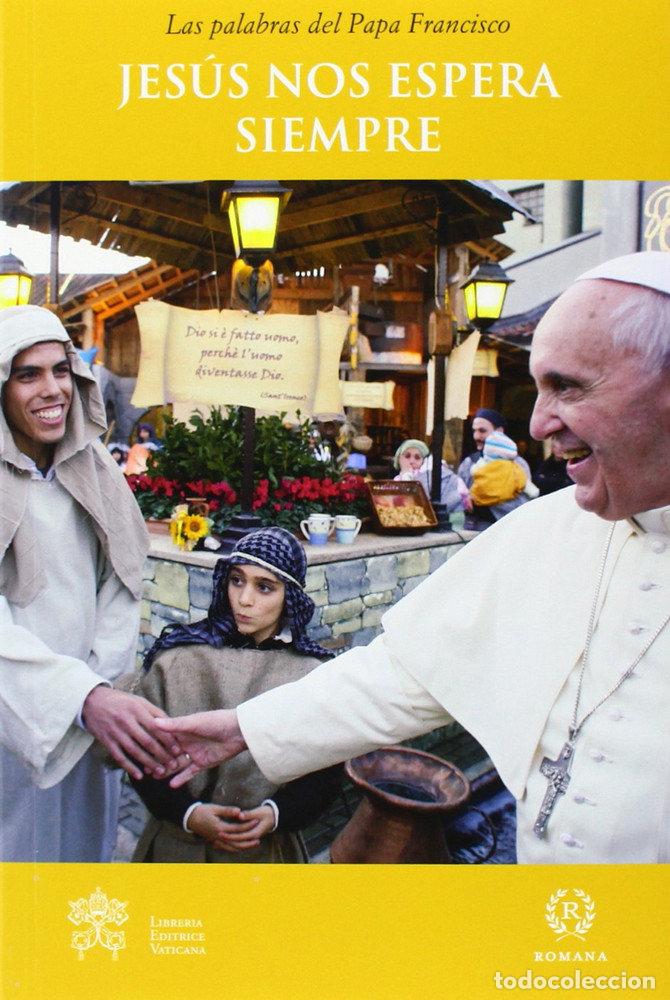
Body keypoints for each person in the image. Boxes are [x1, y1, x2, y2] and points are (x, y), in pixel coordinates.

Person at [154, 251, 670, 864]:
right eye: (537, 388)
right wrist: (247, 728)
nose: (538, 424)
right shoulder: (546, 531)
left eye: (569, 386)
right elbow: (403, 674)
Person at [0, 306, 179, 862]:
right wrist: (73, 696)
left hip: (89, 718)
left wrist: (98, 692)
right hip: (11, 711)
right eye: (28, 375)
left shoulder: (95, 468)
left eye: (61, 370)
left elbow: (121, 582)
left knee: (80, 861)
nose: (51, 389)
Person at [128, 527, 341, 862]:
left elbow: (325, 773)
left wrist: (275, 814)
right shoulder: (177, 659)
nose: (244, 599)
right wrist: (188, 813)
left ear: (290, 595)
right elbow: (142, 754)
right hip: (177, 848)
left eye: (265, 587)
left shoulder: (310, 674)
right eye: (237, 580)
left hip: (265, 853)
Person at [469, 430, 539, 522]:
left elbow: (473, 471)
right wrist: (535, 493)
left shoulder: (481, 464)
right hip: (508, 508)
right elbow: (527, 485)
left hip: (484, 505)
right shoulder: (514, 467)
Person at [393, 438, 469, 513]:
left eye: (417, 457)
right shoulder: (396, 480)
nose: (412, 461)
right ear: (399, 458)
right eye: (407, 456)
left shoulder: (428, 477)